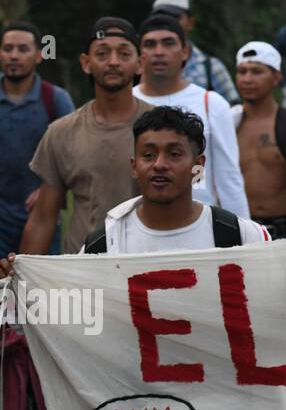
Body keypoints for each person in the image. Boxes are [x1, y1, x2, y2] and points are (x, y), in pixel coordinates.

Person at [20, 18, 151, 255]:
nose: (113, 62)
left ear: (140, 63)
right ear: (86, 63)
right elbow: (43, 218)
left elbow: (182, 205)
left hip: (145, 263)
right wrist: (23, 273)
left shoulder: (161, 128)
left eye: (124, 54)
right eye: (102, 54)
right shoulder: (62, 132)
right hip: (82, 266)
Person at [76, 107, 270, 254]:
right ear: (134, 166)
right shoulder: (104, 245)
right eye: (148, 155)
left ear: (198, 166)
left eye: (174, 154)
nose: (159, 165)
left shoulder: (243, 237)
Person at [132, 13, 249, 218]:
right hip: (138, 224)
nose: (159, 52)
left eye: (168, 43)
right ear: (140, 55)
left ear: (185, 51)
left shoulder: (211, 103)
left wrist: (243, 233)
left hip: (201, 223)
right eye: (150, 44)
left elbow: (229, 177)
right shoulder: (127, 103)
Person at [1, 21, 75, 255]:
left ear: (39, 55)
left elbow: (72, 154)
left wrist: (48, 190)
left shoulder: (55, 99)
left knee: (38, 278)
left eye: (23, 49)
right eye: (8, 49)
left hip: (43, 214)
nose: (14, 56)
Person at [233, 41, 286, 240]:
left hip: (283, 229)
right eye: (242, 72)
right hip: (238, 229)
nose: (247, 79)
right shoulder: (229, 123)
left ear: (276, 77)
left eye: (257, 72)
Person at [151, 0, 239, 104]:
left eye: (175, 17)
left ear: (190, 22)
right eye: (162, 17)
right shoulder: (138, 66)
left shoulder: (211, 68)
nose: (168, 23)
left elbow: (233, 109)